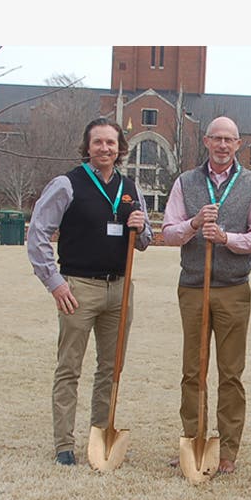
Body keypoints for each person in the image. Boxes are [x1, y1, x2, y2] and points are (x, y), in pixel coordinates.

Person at [27, 117, 152, 466]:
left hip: (120, 289)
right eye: (98, 142)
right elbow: (37, 235)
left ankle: (101, 437)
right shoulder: (67, 184)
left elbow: (144, 241)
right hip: (78, 288)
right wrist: (55, 283)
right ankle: (64, 445)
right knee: (69, 368)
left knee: (111, 370)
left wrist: (140, 228)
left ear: (120, 148)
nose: (105, 149)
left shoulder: (130, 187)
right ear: (88, 146)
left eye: (111, 143)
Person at [162, 116, 251, 474]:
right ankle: (193, 442)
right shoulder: (186, 182)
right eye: (217, 139)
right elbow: (167, 233)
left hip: (233, 290)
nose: (223, 145)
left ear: (238, 144)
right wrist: (194, 224)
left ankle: (227, 451)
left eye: (230, 139)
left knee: (230, 373)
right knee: (193, 371)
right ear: (206, 142)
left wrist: (227, 239)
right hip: (194, 287)